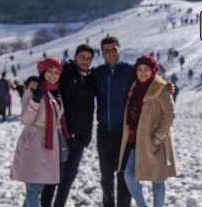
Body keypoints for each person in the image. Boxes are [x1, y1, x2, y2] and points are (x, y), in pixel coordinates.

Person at [117, 55, 177, 207]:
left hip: (154, 142)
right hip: (136, 141)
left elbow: (170, 113)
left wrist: (157, 137)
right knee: (129, 176)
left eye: (146, 69)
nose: (143, 72)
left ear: (153, 71)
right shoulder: (134, 87)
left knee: (157, 180)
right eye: (139, 69)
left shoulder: (161, 88)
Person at [41, 45, 96, 207]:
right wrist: (32, 82)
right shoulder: (64, 72)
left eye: (88, 58)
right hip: (62, 134)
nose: (85, 61)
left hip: (80, 136)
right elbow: (46, 77)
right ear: (75, 56)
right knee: (54, 174)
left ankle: (60, 204)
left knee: (69, 175)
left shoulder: (91, 78)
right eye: (82, 57)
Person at [10, 57, 69, 207]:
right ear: (43, 71)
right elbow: (26, 120)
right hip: (34, 145)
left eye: (57, 72)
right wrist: (35, 102)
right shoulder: (34, 90)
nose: (53, 75)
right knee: (34, 189)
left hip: (50, 145)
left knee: (36, 189)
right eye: (50, 71)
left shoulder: (57, 92)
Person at [92, 36, 134, 207]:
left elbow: (148, 83)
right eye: (107, 50)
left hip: (124, 134)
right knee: (106, 176)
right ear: (102, 53)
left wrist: (165, 87)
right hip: (104, 132)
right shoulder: (97, 73)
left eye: (114, 49)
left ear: (119, 50)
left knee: (124, 175)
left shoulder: (129, 71)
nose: (111, 53)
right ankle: (108, 204)